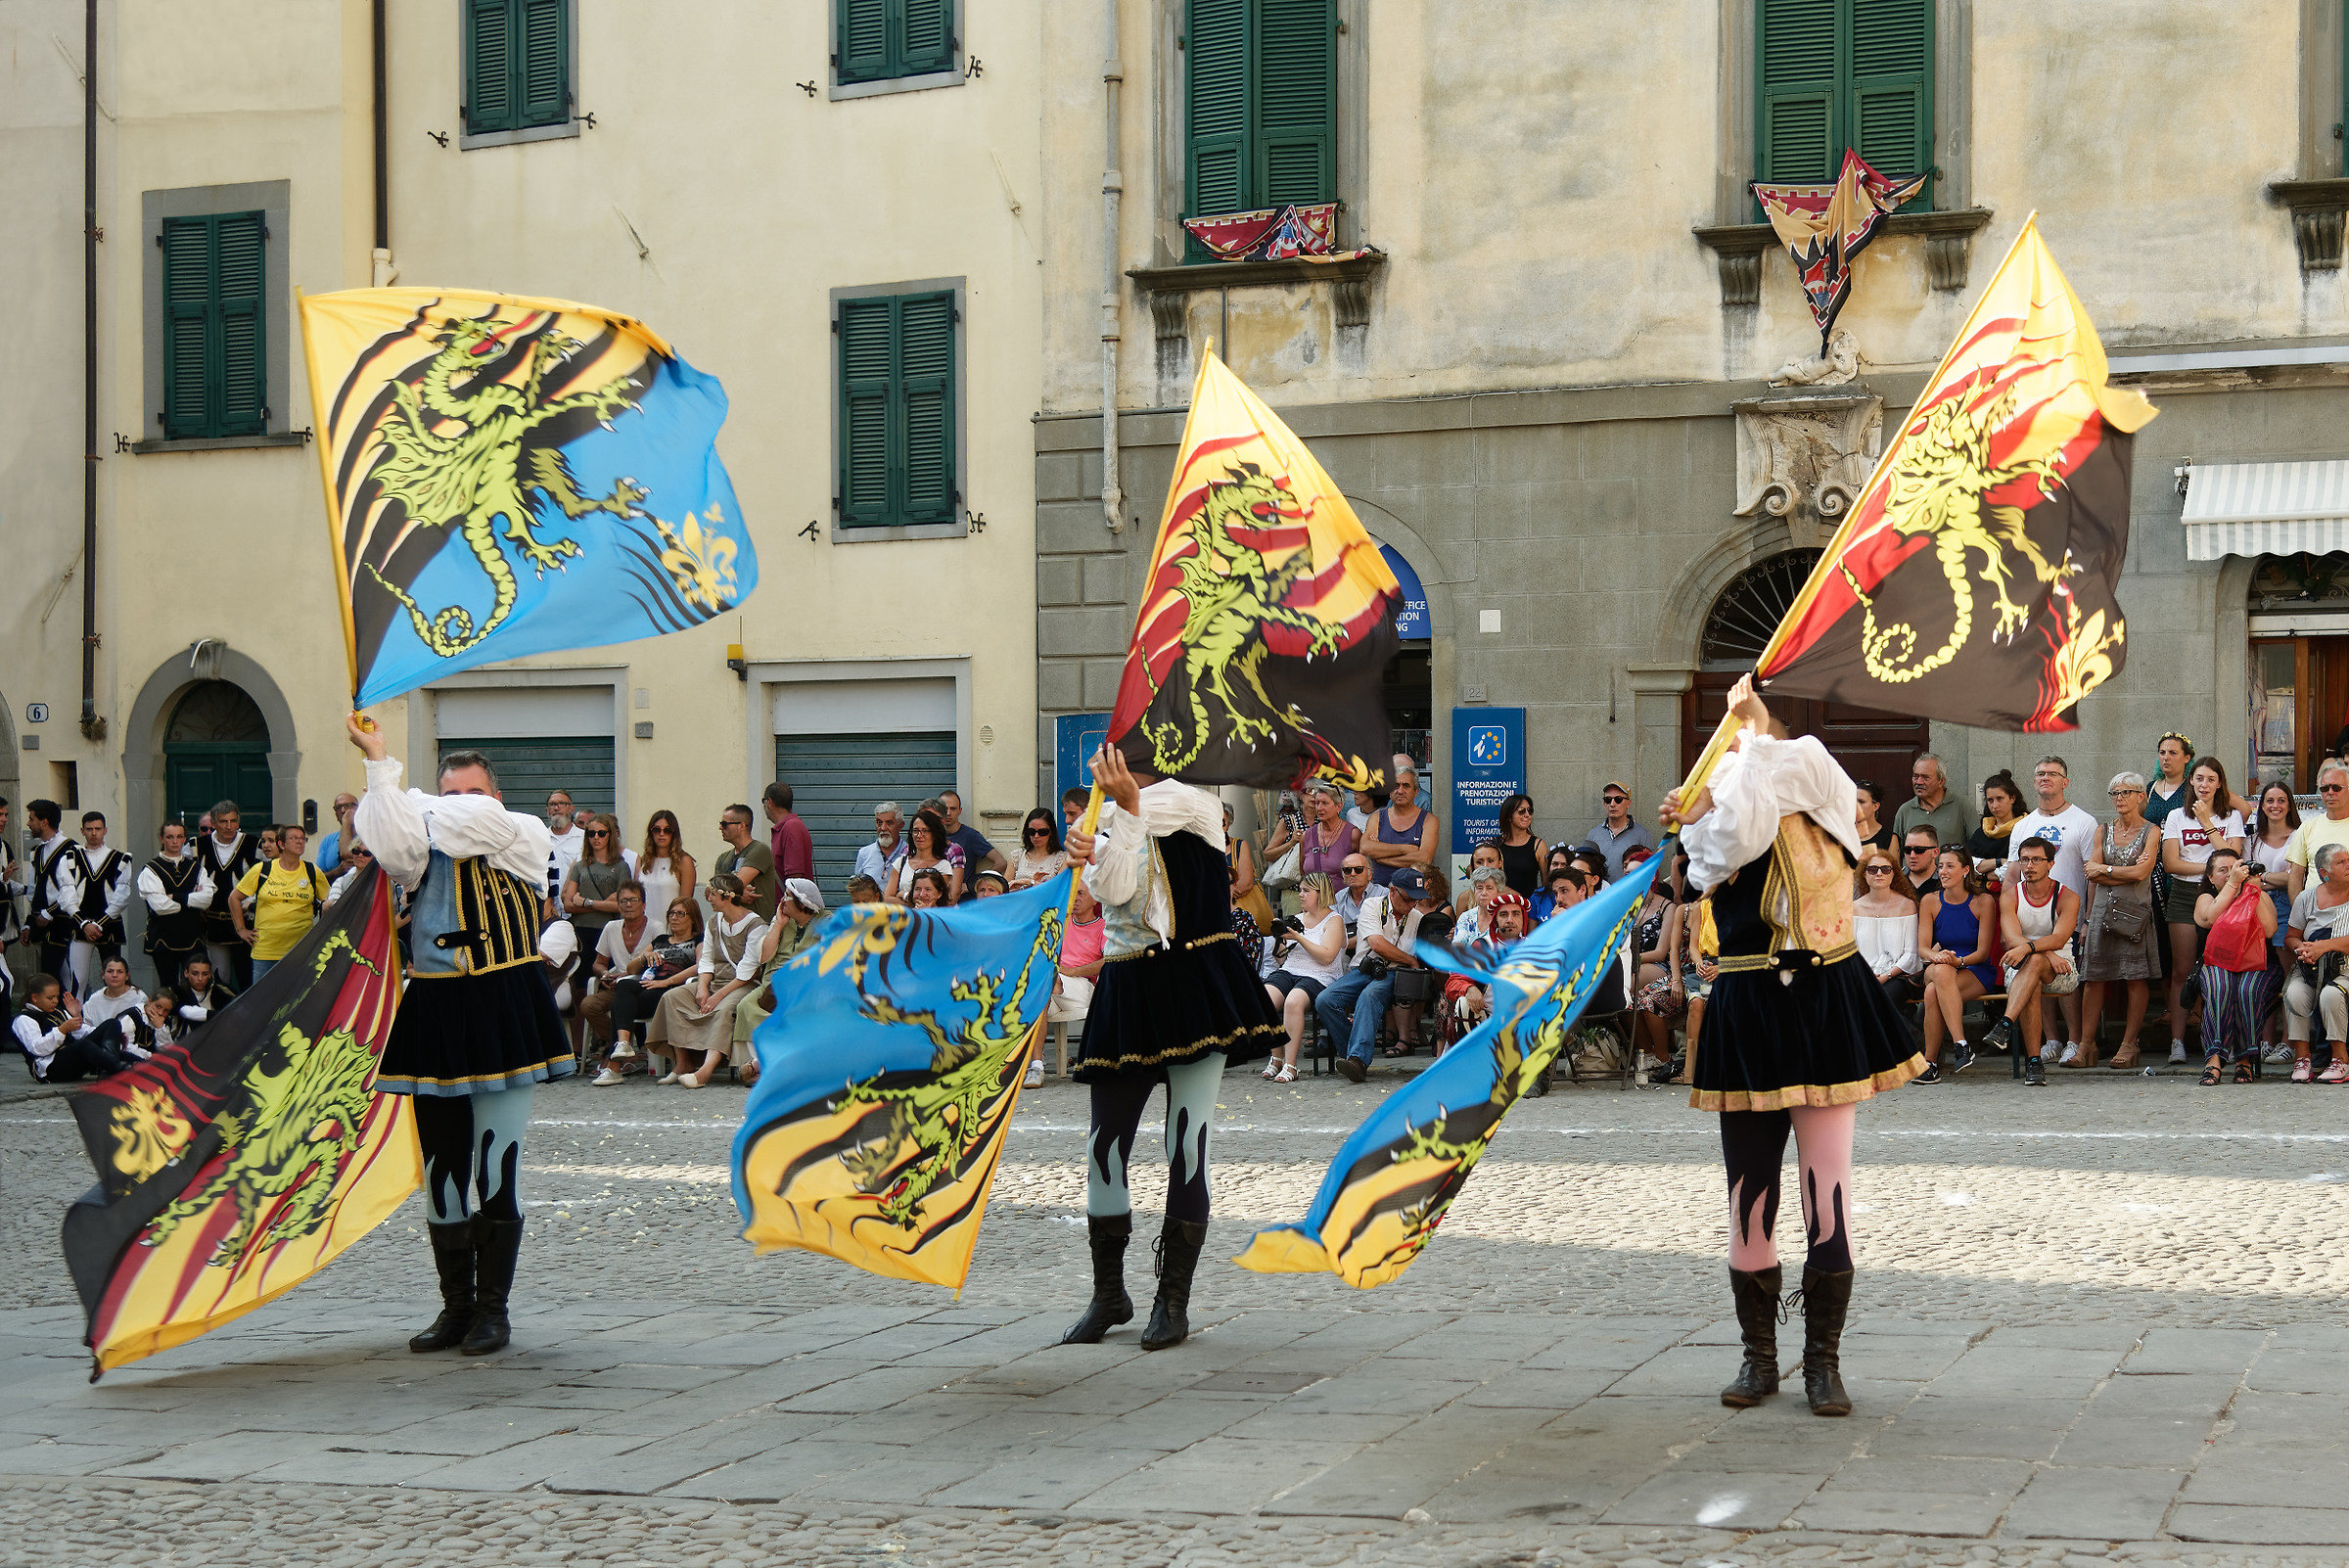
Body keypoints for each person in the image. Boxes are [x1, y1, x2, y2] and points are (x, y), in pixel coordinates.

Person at [1659, 673, 1922, 1418]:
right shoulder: (1715, 836)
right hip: (1748, 1010)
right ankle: (1759, 1355)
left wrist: (1751, 724)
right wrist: (1705, 798)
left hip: (1824, 1004)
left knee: (1827, 1197)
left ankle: (1823, 1362)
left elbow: (1794, 762)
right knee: (1749, 1201)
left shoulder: (1832, 812)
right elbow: (1737, 828)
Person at [350, 716, 571, 1358]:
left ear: (495, 797)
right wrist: (379, 768)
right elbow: (390, 845)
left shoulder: (523, 831)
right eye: (447, 795)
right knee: (441, 1169)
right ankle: (457, 1307)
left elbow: (462, 826)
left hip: (503, 1003)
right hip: (437, 1006)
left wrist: (406, 798)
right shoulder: (418, 843)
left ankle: (494, 1313)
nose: (457, 808)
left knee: (496, 1165)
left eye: (470, 794)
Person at [1057, 744, 1282, 1353]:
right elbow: (1113, 882)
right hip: (1129, 991)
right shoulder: (1109, 817)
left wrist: (1103, 820)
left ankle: (1172, 1300)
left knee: (1186, 1144)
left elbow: (1146, 817)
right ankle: (1109, 1293)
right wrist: (1093, 833)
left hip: (1193, 990)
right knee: (1104, 1146)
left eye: (1124, 758)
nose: (1112, 768)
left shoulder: (1194, 806)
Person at [2011, 755, 2099, 1063]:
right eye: (2040, 773)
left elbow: (2092, 874)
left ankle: (2075, 1041)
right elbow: (2012, 873)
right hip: (2029, 916)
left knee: (2066, 976)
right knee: (2035, 974)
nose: (2046, 778)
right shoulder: (2023, 825)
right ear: (2034, 781)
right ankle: (2051, 1041)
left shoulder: (2084, 821)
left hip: (2068, 915)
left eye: (2053, 773)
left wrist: (2087, 919)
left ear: (2066, 781)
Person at [2159, 756, 2245, 1066]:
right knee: (2182, 970)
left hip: (2225, 894)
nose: (2204, 785)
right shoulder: (2175, 817)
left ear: (2219, 783)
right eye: (2198, 778)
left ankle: (2230, 1041)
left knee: (2226, 968)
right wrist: (2214, 868)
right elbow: (2171, 864)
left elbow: (2234, 858)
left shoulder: (2232, 815)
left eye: (2210, 779)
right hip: (2184, 893)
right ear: (2190, 782)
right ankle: (2178, 1042)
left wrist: (2208, 823)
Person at [646, 871, 767, 1088]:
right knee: (672, 998)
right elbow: (706, 961)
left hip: (741, 985)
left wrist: (717, 996)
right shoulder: (714, 922)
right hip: (714, 982)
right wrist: (702, 988)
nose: (708, 898)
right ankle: (682, 1063)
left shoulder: (756, 926)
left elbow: (747, 971)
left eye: (712, 894)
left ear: (727, 897)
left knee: (723, 1009)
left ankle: (704, 1071)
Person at [1313, 867, 1434, 1082]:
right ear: (1393, 891)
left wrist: (1410, 962)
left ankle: (1358, 1061)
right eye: (1407, 899)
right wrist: (1410, 959)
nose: (1411, 905)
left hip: (1395, 973)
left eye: (1415, 901)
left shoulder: (1416, 917)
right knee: (1325, 1000)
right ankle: (1353, 1054)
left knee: (1370, 996)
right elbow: (1377, 944)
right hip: (1365, 968)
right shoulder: (1373, 905)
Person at [2078, 772, 2160, 1071]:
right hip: (2101, 909)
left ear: (2141, 796)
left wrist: (2106, 869)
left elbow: (2142, 873)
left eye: (2126, 792)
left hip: (2134, 911)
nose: (2119, 798)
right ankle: (2086, 1044)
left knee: (2135, 976)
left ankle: (2129, 1043)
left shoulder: (2152, 831)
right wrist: (2113, 871)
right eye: (2114, 793)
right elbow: (2090, 873)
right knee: (2094, 977)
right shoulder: (2102, 830)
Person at [1997, 838, 2081, 1083]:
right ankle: (2034, 1064)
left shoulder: (2068, 896)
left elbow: (2059, 938)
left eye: (2036, 859)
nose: (2029, 865)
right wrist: (2043, 953)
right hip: (2022, 967)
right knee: (2031, 976)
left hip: (2062, 968)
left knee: (2031, 966)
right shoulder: (2010, 896)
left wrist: (2037, 950)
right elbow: (2011, 938)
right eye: (2024, 859)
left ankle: (2007, 1024)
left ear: (2051, 863)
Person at [595, 898, 704, 1084]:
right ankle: (624, 1043)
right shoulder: (660, 940)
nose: (674, 918)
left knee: (619, 1006)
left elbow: (700, 967)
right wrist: (644, 956)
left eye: (680, 914)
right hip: (649, 986)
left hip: (675, 990)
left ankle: (614, 1068)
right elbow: (630, 969)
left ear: (692, 918)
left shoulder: (698, 940)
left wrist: (666, 982)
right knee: (623, 985)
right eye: (671, 913)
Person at [730, 877, 825, 1086]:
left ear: (802, 902)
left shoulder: (826, 922)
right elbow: (764, 957)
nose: (782, 901)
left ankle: (766, 1065)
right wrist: (779, 925)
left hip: (807, 986)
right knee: (746, 1005)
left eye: (788, 897)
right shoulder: (782, 919)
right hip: (773, 982)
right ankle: (758, 1064)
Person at [2195, 846, 2277, 1085]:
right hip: (2217, 964)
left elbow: (2270, 930)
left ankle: (2245, 1060)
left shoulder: (2257, 895)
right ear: (2210, 877)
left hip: (2259, 965)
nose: (2231, 874)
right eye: (2223, 871)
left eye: (2235, 869)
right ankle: (2214, 1060)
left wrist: (2252, 888)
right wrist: (2232, 885)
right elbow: (2209, 918)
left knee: (2247, 991)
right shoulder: (2206, 898)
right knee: (2220, 988)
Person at [1259, 872, 1347, 1084]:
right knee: (1264, 999)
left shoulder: (1334, 920)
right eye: (1300, 890)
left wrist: (1298, 936)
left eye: (1306, 891)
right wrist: (1281, 940)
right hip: (1290, 970)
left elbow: (1327, 957)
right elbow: (1281, 961)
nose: (1301, 895)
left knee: (1293, 1002)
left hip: (1320, 975)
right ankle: (1276, 1058)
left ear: (1321, 893)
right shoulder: (1296, 919)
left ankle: (1291, 1065)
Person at [1917, 848, 1995, 1083]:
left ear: (1965, 870)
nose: (1943, 871)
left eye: (1950, 866)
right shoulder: (1930, 901)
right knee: (1941, 972)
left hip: (1973, 968)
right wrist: (1939, 957)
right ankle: (1961, 1043)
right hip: (1938, 964)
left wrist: (1958, 961)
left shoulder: (1984, 901)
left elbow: (1982, 953)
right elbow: (1922, 948)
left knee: (1932, 993)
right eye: (1940, 866)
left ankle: (1930, 1064)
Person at [231, 824, 330, 985]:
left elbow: (330, 901)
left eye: (302, 839)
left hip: (301, 953)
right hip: (266, 953)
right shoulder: (262, 870)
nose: (300, 842)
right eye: (294, 838)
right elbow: (234, 898)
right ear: (281, 844)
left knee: (296, 1003)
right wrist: (241, 930)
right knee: (263, 1002)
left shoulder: (312, 871)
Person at [2283, 843, 2349, 1084]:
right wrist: (2302, 949)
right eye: (2341, 862)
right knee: (2295, 992)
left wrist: (2326, 946)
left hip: (2345, 968)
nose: (2348, 865)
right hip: (2309, 967)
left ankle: (2340, 1060)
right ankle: (2303, 1058)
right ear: (2324, 872)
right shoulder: (2306, 898)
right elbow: (2291, 935)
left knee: (2330, 995)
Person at [12, 973, 144, 1084]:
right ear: (35, 998)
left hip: (72, 1059)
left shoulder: (58, 1011)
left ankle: (140, 1067)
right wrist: (62, 1030)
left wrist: (78, 1018)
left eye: (57, 997)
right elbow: (37, 1049)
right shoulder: (24, 1019)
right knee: (84, 1045)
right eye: (50, 998)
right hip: (51, 1069)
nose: (55, 1001)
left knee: (111, 1024)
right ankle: (117, 1068)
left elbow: (80, 1031)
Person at [578, 882, 655, 1073]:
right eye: (623, 901)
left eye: (633, 900)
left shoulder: (656, 927)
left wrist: (628, 975)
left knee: (624, 999)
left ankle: (612, 1054)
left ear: (643, 905)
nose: (628, 905)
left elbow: (659, 964)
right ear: (618, 906)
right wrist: (604, 974)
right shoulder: (611, 927)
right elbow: (598, 962)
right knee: (589, 1005)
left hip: (645, 986)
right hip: (616, 985)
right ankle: (624, 1047)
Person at [2251, 779, 2300, 1058]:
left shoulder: (2299, 835)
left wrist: (2264, 877)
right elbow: (2246, 874)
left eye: (2281, 800)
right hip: (2256, 906)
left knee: (2288, 976)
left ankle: (2289, 1042)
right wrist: (2273, 880)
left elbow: (2295, 877)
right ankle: (2264, 1039)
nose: (2275, 806)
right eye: (2269, 800)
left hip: (2286, 906)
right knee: (2262, 973)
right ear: (2262, 806)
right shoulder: (2253, 838)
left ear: (2289, 805)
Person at [138, 821, 213, 994]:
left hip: (192, 936)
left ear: (184, 839)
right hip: (163, 938)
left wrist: (175, 896)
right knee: (168, 988)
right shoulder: (151, 869)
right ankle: (170, 1022)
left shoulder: (196, 868)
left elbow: (207, 899)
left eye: (179, 837)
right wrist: (192, 900)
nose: (175, 841)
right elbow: (160, 906)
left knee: (198, 987)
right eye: (170, 837)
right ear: (162, 838)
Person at [1853, 848, 1922, 1038]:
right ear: (1864, 874)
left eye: (1886, 869)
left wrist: (1885, 976)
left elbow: (1911, 953)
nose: (1879, 874)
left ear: (1894, 873)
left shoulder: (1906, 905)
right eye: (1873, 869)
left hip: (1898, 976)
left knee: (1877, 999)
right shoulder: (1854, 908)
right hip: (1863, 975)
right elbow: (1850, 951)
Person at [194, 801, 262, 989]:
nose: (229, 826)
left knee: (248, 978)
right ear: (214, 823)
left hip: (248, 924)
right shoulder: (196, 846)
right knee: (219, 980)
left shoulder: (254, 844)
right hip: (213, 924)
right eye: (224, 822)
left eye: (233, 821)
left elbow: (266, 879)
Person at [66, 811, 134, 997]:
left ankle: (116, 1022)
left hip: (110, 927)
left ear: (105, 830)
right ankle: (76, 1025)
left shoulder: (121, 859)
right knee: (77, 982)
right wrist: (85, 924)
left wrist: (99, 923)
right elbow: (66, 894)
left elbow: (122, 897)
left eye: (97, 829)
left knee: (116, 981)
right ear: (82, 830)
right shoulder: (71, 858)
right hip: (80, 927)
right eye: (89, 829)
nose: (94, 833)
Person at [22, 801, 80, 994]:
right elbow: (34, 889)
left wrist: (50, 913)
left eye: (32, 819)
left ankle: (70, 1017)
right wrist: (28, 923)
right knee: (47, 976)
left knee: (64, 977)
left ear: (44, 822)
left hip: (62, 923)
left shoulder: (72, 850)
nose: (28, 824)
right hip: (40, 924)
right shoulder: (38, 851)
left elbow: (74, 891)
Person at [561, 814, 632, 968]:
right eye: (591, 833)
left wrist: (587, 902)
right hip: (581, 930)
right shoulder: (580, 866)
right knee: (581, 980)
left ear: (610, 835)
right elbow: (567, 905)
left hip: (608, 930)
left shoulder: (621, 867)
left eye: (601, 833)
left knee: (605, 975)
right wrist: (604, 904)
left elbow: (623, 905)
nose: (596, 838)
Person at [1360, 764, 1438, 888]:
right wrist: (1405, 849)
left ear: (1416, 792)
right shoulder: (1377, 818)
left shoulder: (1429, 820)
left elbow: (1424, 859)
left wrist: (1382, 859)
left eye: (1406, 786)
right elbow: (1365, 848)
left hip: (1415, 894)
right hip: (1380, 892)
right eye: (1395, 786)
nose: (1400, 791)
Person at [2287, 759, 2349, 903]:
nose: (2330, 793)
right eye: (2325, 789)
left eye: (2337, 788)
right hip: (2315, 914)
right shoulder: (2308, 828)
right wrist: (2298, 914)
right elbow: (2295, 877)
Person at [1890, 754, 1969, 853]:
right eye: (1915, 776)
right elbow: (1895, 853)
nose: (1918, 782)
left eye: (1925, 777)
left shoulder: (1962, 806)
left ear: (1941, 781)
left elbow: (1977, 849)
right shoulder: (1905, 811)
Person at [714, 804, 778, 921]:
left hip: (756, 927)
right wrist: (738, 895)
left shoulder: (759, 850)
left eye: (724, 824)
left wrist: (732, 893)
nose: (720, 828)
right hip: (728, 927)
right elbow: (711, 892)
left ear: (741, 826)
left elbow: (736, 884)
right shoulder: (723, 858)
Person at [888, 807, 963, 905]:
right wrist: (915, 904)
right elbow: (887, 899)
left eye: (925, 830)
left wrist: (905, 896)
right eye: (915, 830)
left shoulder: (943, 866)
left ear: (934, 834)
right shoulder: (901, 862)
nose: (919, 835)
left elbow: (937, 901)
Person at [938, 790, 1005, 899]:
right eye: (945, 809)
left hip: (963, 900)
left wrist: (974, 884)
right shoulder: (930, 836)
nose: (948, 813)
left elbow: (1001, 863)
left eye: (953, 809)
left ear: (960, 811)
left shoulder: (970, 836)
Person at [634, 810, 697, 926]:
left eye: (667, 830)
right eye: (657, 830)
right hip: (645, 928)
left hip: (671, 928)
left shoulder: (683, 861)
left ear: (674, 833)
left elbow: (686, 904)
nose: (661, 834)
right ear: (651, 832)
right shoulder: (643, 861)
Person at [1296, 781, 1357, 889]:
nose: (1319, 808)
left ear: (1339, 806)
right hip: (1315, 903)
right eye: (1317, 803)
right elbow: (1302, 871)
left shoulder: (1352, 834)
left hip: (1341, 903)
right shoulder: (1307, 836)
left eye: (1325, 803)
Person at [1587, 781, 1653, 879]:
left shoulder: (1643, 834)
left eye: (1618, 799)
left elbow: (1649, 870)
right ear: (1604, 803)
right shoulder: (1593, 834)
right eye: (1608, 799)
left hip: (1630, 892)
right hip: (1601, 893)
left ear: (1628, 803)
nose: (1612, 804)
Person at [1964, 770, 2026, 870]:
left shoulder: (2025, 828)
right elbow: (1967, 866)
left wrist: (1985, 870)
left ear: (2012, 798)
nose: (1995, 806)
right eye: (1990, 800)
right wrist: (2000, 862)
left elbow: (2020, 867)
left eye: (2000, 799)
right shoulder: (1981, 833)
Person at [1491, 794, 1549, 898]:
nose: (1527, 815)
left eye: (1529, 811)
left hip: (1528, 907)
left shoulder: (1538, 845)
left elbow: (1546, 883)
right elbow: (1479, 872)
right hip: (1500, 906)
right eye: (1521, 811)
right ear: (1509, 816)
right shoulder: (1496, 844)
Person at [762, 782, 815, 887]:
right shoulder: (786, 827)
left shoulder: (791, 827)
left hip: (789, 902)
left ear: (769, 802)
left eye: (763, 801)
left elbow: (794, 877)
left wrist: (789, 901)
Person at [542, 790, 584, 920]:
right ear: (547, 811)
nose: (556, 807)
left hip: (577, 911)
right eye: (552, 804)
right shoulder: (540, 838)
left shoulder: (584, 838)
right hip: (548, 913)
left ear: (572, 809)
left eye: (562, 804)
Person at [855, 803, 907, 895]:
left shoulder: (910, 853)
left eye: (889, 823)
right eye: (879, 822)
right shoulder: (864, 853)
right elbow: (857, 891)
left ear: (901, 825)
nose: (883, 828)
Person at [1010, 808, 1069, 888]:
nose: (1036, 836)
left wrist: (1029, 882)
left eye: (1042, 832)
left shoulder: (1061, 859)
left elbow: (1059, 890)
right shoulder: (1017, 856)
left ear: (1051, 832)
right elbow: (1003, 889)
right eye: (1032, 831)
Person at [173, 954, 237, 1024]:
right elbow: (185, 1012)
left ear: (210, 974)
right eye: (195, 974)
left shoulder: (219, 990)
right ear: (186, 973)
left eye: (205, 974)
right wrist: (219, 1015)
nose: (200, 978)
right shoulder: (177, 993)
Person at [314, 793, 361, 883]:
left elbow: (347, 854)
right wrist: (337, 871)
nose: (343, 810)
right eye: (338, 808)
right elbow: (318, 877)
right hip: (333, 894)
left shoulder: (367, 836)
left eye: (347, 806)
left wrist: (346, 822)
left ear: (358, 809)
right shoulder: (328, 841)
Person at [1897, 826, 1941, 900]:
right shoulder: (1894, 880)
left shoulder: (1945, 883)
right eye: (1907, 850)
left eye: (1919, 850)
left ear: (1935, 852)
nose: (1912, 855)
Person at [1852, 781, 1894, 853]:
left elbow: (1894, 863)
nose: (1855, 805)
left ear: (1875, 806)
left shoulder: (1889, 838)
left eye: (1861, 802)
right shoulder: (1842, 832)